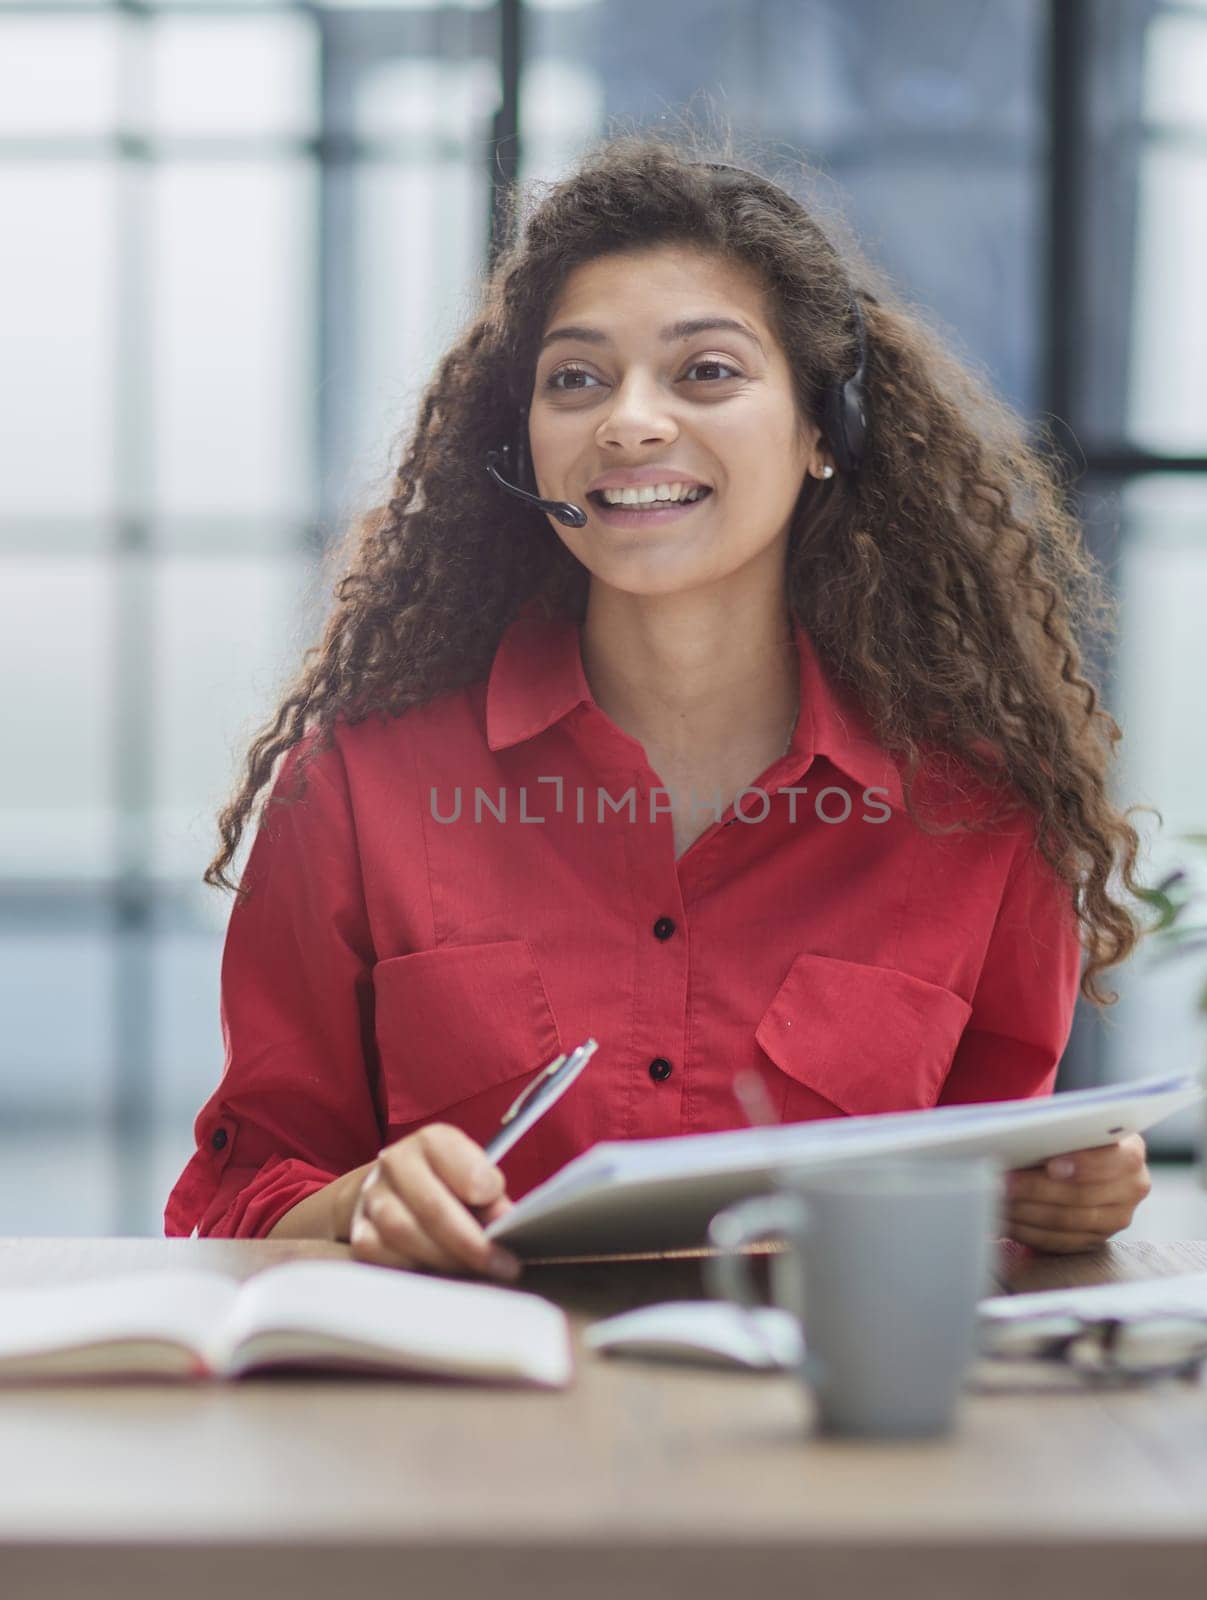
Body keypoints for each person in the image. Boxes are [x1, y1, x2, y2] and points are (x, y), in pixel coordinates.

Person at [164, 133, 1154, 1277]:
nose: (628, 422)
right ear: (526, 442)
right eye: (575, 378)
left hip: (821, 1438)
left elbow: (991, 1189)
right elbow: (238, 1193)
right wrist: (361, 1202)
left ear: (824, 432)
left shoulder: (977, 811)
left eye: (707, 372)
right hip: (452, 1431)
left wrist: (1060, 1198)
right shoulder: (357, 784)